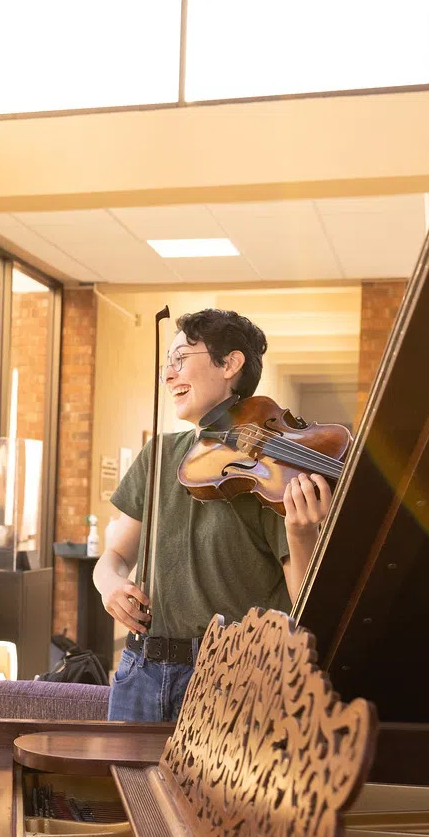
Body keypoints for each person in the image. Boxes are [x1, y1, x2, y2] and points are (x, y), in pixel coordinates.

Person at [94, 308, 335, 722]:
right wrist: (110, 585)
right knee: (125, 788)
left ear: (230, 363)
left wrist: (301, 532)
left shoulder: (271, 469)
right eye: (165, 363)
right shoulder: (158, 456)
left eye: (181, 358)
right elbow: (113, 558)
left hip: (233, 677)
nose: (168, 375)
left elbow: (306, 606)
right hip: (140, 672)